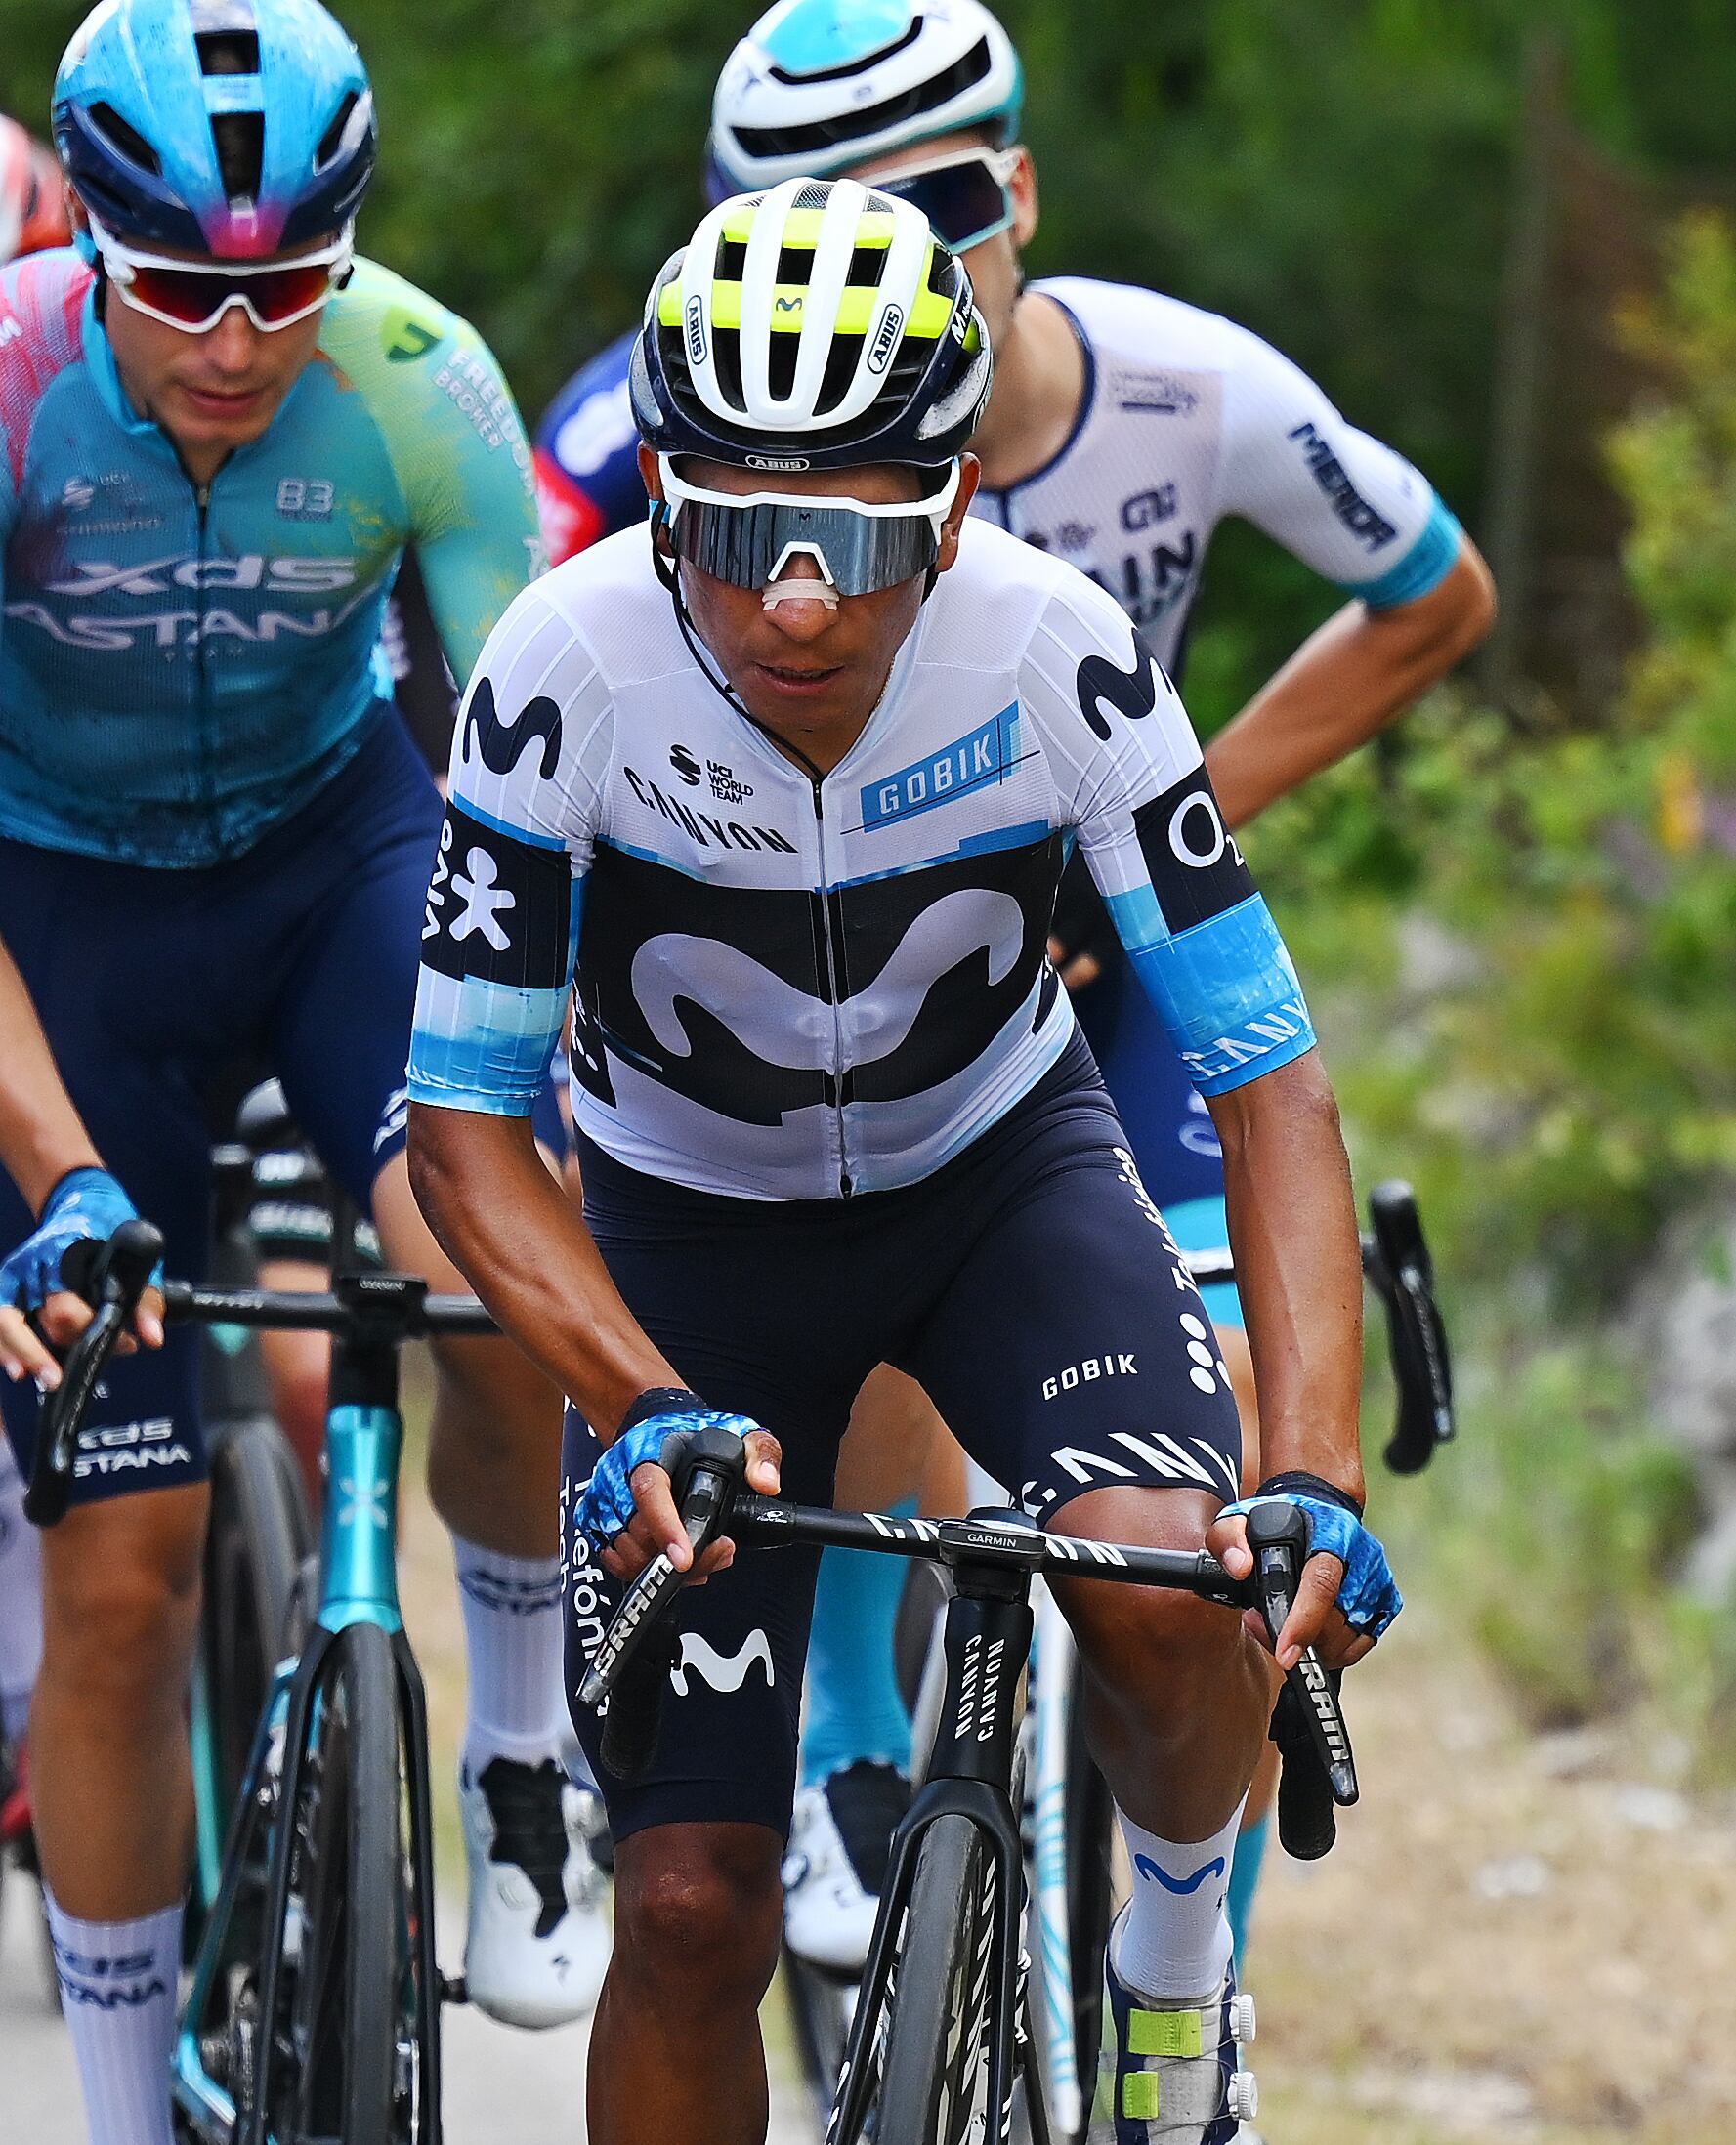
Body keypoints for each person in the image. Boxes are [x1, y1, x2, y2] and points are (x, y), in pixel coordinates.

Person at [408, 176, 1402, 2145]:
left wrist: (1311, 1468)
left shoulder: (1059, 650)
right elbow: (462, 1128)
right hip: (691, 1235)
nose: (796, 602)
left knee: (1168, 1597)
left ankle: (1174, 2005)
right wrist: (637, 1398)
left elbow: (1266, 1081)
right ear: (660, 498)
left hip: (999, 1187)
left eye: (858, 540)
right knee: (685, 1908)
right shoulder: (560, 666)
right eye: (736, 532)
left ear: (953, 511)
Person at [531, 0, 1495, 1982]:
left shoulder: (1187, 385)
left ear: (1026, 189)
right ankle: (848, 1735)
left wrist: (1151, 830)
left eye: (944, 200)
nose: (899, 245)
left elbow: (1438, 594)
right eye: (830, 203)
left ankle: (1183, 1980)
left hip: (1093, 966)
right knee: (851, 1249)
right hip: (796, 1019)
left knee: (1208, 1492)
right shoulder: (682, 423)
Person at [0, 5, 604, 2135]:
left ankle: (520, 1753)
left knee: (495, 1276)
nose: (240, 343)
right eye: (180, 290)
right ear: (92, 246)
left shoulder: (420, 380)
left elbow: (540, 772)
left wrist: (558, 1069)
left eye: (288, 287)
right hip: (59, 914)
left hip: (337, 859)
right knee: (120, 1569)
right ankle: (116, 2108)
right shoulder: (6, 395)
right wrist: (63, 1173)